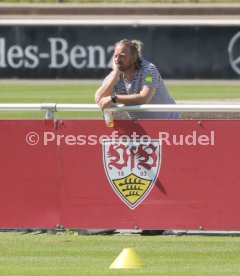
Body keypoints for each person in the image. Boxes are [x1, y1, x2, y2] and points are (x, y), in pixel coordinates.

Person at [95, 38, 181, 120]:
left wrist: (113, 98)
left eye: (121, 56)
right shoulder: (115, 74)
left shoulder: (149, 71)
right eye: (115, 56)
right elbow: (99, 98)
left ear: (133, 59)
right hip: (143, 127)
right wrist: (116, 73)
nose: (117, 60)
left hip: (170, 123)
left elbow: (144, 98)